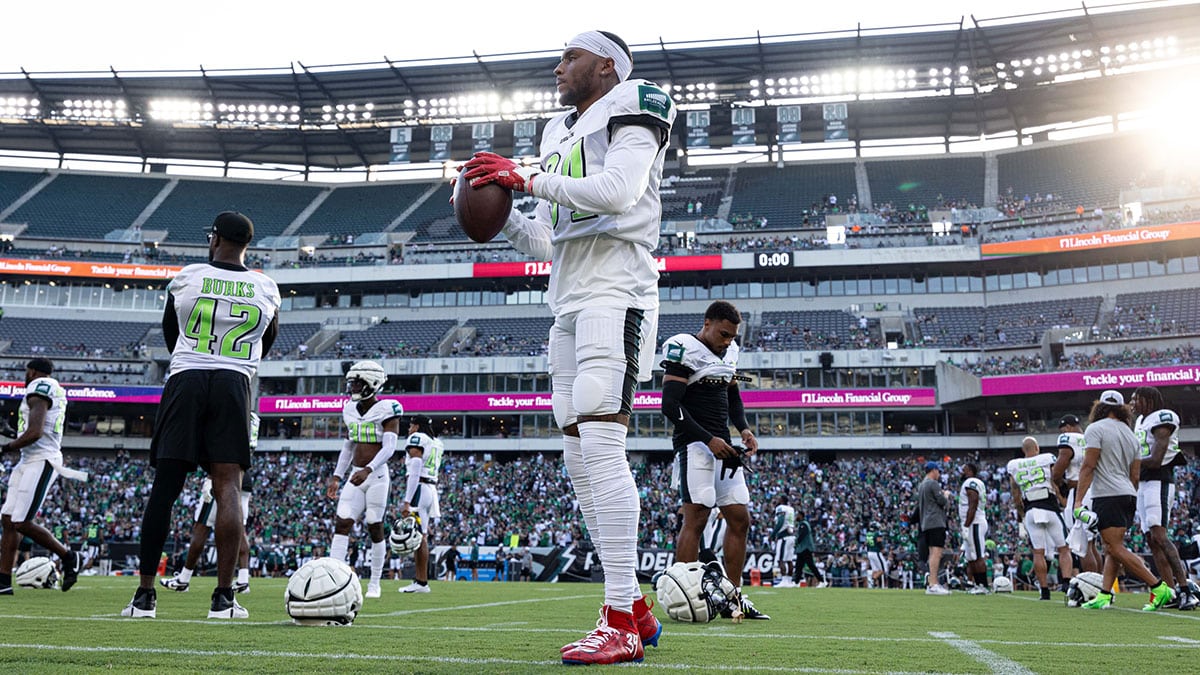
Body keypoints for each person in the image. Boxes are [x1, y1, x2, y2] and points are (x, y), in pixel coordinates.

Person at [462, 29, 675, 665]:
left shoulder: (638, 100)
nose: (558, 67)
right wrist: (497, 210)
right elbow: (547, 242)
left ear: (606, 66)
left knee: (604, 446)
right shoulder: (557, 130)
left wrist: (524, 180)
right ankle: (634, 606)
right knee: (579, 456)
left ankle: (618, 620)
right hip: (569, 299)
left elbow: (619, 193)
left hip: (618, 290)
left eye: (570, 56)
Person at [123, 212, 280, 619]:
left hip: (187, 377)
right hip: (233, 383)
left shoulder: (188, 276)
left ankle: (144, 598)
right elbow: (269, 340)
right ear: (247, 244)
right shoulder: (265, 285)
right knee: (228, 487)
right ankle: (224, 599)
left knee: (165, 489)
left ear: (214, 239)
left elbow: (171, 335)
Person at [662, 301, 767, 620]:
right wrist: (708, 439)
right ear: (706, 323)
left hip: (724, 444)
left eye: (732, 337)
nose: (727, 342)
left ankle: (731, 598)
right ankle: (686, 595)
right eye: (723, 334)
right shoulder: (684, 348)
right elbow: (670, 406)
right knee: (696, 517)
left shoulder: (729, 351)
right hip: (695, 444)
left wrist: (744, 429)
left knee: (740, 518)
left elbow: (732, 394)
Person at [1076, 390, 1175, 610]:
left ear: (1100, 406)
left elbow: (1089, 465)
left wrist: (1078, 501)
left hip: (1107, 493)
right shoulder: (1131, 434)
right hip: (1128, 493)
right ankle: (1104, 593)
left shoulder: (1095, 428)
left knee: (1114, 547)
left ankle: (1159, 587)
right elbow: (1136, 475)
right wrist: (1129, 494)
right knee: (1112, 548)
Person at [0, 358, 86, 595]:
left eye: (27, 371)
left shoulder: (40, 386)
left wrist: (6, 447)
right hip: (29, 459)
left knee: (20, 521)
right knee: (8, 519)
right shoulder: (49, 388)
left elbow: (36, 432)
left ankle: (69, 557)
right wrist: (14, 435)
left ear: (34, 371)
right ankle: (3, 580)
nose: (25, 375)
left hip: (42, 459)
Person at [325, 360, 404, 600]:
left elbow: (390, 448)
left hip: (377, 476)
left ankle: (375, 582)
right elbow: (348, 446)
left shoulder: (388, 409)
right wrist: (338, 476)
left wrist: (368, 469)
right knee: (342, 523)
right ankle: (335, 579)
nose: (353, 387)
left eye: (358, 382)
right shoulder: (349, 409)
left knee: (374, 525)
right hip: (356, 475)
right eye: (352, 382)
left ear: (372, 383)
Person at [160, 414, 260, 594]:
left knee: (201, 528)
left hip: (223, 477)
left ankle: (184, 578)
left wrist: (210, 477)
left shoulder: (230, 411)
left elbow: (223, 448)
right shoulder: (252, 417)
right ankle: (244, 579)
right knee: (238, 528)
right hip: (244, 477)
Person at [1131, 386, 1198, 609]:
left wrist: (1129, 463)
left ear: (1148, 400)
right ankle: (1170, 593)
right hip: (1143, 482)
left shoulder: (1162, 417)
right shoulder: (1141, 420)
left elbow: (1157, 458)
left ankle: (1185, 589)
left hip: (1158, 480)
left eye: (1136, 399)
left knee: (1160, 536)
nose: (1132, 403)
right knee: (1151, 539)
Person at [1007, 437, 1074, 600]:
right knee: (1063, 548)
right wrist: (1062, 499)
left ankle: (1044, 591)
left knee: (1038, 552)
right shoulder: (1047, 458)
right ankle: (1066, 583)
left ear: (1024, 450)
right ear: (1036, 447)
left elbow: (1015, 493)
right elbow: (1055, 480)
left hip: (1030, 509)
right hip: (1049, 506)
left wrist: (1021, 516)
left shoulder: (1014, 465)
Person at [398, 416, 443, 594]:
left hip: (419, 487)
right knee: (420, 534)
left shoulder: (417, 438)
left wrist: (407, 501)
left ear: (416, 426)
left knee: (419, 536)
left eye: (410, 425)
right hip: (430, 488)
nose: (409, 428)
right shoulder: (437, 442)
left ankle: (422, 582)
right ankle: (421, 581)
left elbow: (416, 467)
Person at [1052, 414, 1101, 574]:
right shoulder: (1090, 436)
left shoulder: (1068, 438)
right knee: (1092, 543)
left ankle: (1091, 587)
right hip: (1096, 490)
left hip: (1080, 492)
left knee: (1083, 543)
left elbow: (1058, 469)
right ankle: (1101, 585)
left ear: (1067, 427)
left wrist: (1061, 483)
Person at [917, 461, 951, 595]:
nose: (939, 474)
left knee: (932, 553)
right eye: (938, 471)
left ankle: (932, 582)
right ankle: (934, 583)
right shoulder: (932, 483)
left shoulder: (922, 485)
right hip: (936, 522)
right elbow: (942, 501)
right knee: (937, 553)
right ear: (934, 470)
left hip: (926, 522)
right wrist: (946, 495)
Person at [958, 463, 990, 594]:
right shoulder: (976, 482)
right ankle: (977, 585)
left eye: (964, 470)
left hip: (974, 522)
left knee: (977, 555)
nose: (962, 472)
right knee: (971, 556)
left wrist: (966, 524)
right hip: (972, 522)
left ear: (970, 471)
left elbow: (973, 503)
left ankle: (983, 585)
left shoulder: (971, 482)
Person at [794, 511, 826, 587]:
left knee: (811, 565)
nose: (796, 517)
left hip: (805, 548)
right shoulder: (802, 524)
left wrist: (795, 543)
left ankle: (821, 581)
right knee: (799, 566)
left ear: (801, 516)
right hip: (802, 549)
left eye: (797, 515)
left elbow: (801, 535)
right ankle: (796, 582)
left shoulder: (804, 524)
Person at [772, 495, 797, 587]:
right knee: (789, 560)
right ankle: (789, 581)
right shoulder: (791, 509)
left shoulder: (780, 508)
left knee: (780, 559)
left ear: (782, 500)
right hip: (791, 536)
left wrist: (773, 534)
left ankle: (783, 580)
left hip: (783, 536)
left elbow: (780, 521)